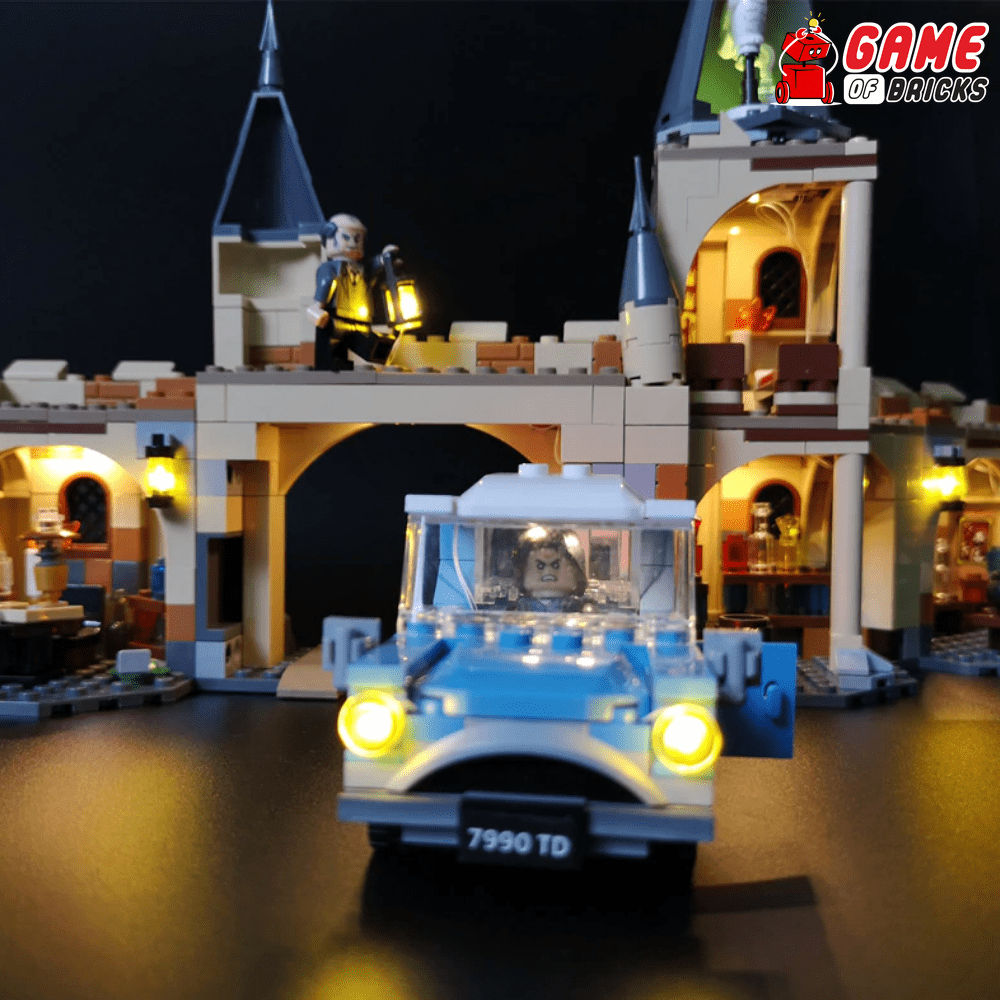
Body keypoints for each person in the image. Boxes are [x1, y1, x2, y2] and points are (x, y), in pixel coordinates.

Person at [306, 213, 400, 370]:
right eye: (346, 237)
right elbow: (325, 285)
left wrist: (386, 258)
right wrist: (317, 309)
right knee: (331, 355)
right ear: (330, 238)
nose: (352, 243)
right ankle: (331, 368)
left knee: (379, 347)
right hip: (337, 320)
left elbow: (374, 267)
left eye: (357, 239)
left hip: (360, 323)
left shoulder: (362, 270)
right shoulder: (330, 268)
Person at [511, 528, 589, 612]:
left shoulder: (578, 607)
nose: (548, 571)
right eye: (540, 566)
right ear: (523, 569)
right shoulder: (519, 607)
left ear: (574, 570)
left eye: (555, 565)